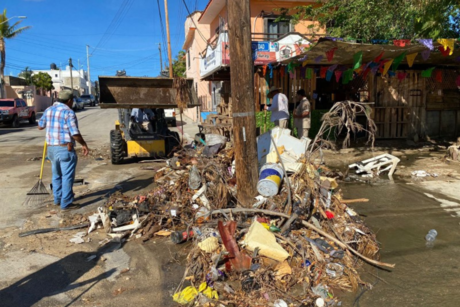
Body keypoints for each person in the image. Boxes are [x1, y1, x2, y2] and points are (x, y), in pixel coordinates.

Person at [38, 90, 89, 210]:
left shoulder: (48, 110)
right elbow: (74, 133)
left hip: (51, 149)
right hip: (65, 148)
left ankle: (58, 199)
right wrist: (84, 144)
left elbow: (40, 126)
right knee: (67, 176)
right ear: (70, 100)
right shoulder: (68, 112)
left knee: (56, 175)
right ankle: (66, 203)